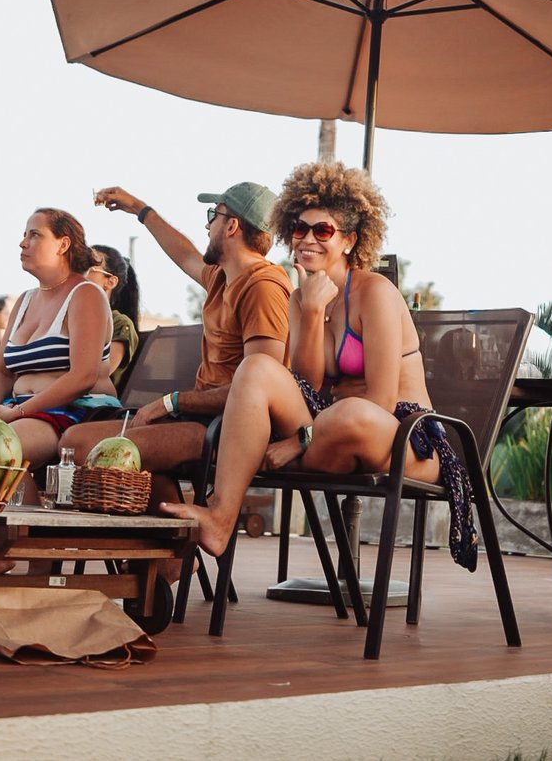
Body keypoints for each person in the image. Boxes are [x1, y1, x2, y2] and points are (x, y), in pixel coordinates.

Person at [161, 161, 478, 571]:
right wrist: (310, 313)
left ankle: (241, 477)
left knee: (353, 410)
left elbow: (382, 401)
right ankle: (221, 518)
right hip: (330, 434)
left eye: (322, 230)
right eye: (299, 229)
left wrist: (299, 441)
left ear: (349, 240)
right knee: (257, 369)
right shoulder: (300, 298)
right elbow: (307, 387)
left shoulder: (375, 293)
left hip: (402, 437)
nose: (307, 239)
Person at [64, 181, 291, 505]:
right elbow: (184, 254)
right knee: (73, 441)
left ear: (232, 226)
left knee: (90, 449)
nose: (207, 226)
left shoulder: (263, 288)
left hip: (227, 428)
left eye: (213, 215)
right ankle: (174, 535)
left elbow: (261, 389)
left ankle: (178, 535)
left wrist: (172, 402)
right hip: (197, 419)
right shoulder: (223, 277)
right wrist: (139, 208)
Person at [0, 208, 120, 471]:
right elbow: (1, 372)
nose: (23, 243)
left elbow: (83, 377)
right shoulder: (25, 300)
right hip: (19, 410)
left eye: (34, 235)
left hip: (74, 412)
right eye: (24, 235)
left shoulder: (85, 294)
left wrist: (18, 412)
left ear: (63, 244)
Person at [87, 244, 140, 389]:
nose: (80, 271)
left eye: (89, 267)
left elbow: (96, 376)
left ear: (110, 282)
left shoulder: (120, 324)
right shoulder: (67, 317)